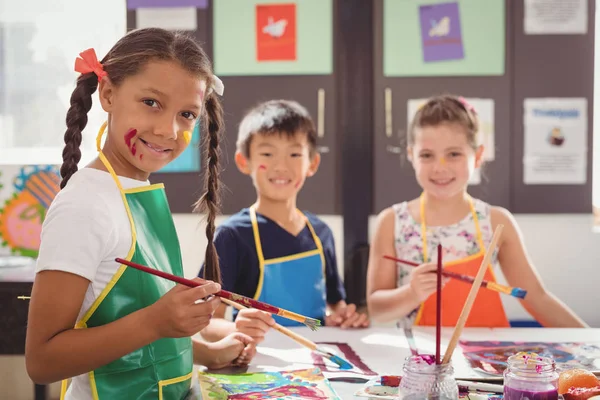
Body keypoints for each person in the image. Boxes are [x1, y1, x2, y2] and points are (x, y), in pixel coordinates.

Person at [24, 28, 255, 400]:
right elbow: (42, 361)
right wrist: (156, 321)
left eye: (186, 114)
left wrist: (206, 353)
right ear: (108, 94)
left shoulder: (136, 192)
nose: (168, 129)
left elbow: (125, 328)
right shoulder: (84, 207)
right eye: (151, 102)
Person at [366, 94, 588, 328]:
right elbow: (376, 310)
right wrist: (411, 293)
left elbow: (536, 298)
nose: (440, 168)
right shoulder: (393, 221)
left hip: (483, 360)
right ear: (412, 155)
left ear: (478, 155)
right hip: (418, 361)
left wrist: (592, 346)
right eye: (427, 155)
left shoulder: (496, 221)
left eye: (453, 154)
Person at [200, 99, 369, 346]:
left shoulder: (321, 233)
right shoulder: (231, 237)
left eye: (294, 154)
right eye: (268, 153)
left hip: (316, 360)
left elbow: (334, 306)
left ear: (312, 163)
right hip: (259, 366)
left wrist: (343, 317)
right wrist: (236, 328)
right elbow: (207, 323)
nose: (281, 166)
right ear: (243, 161)